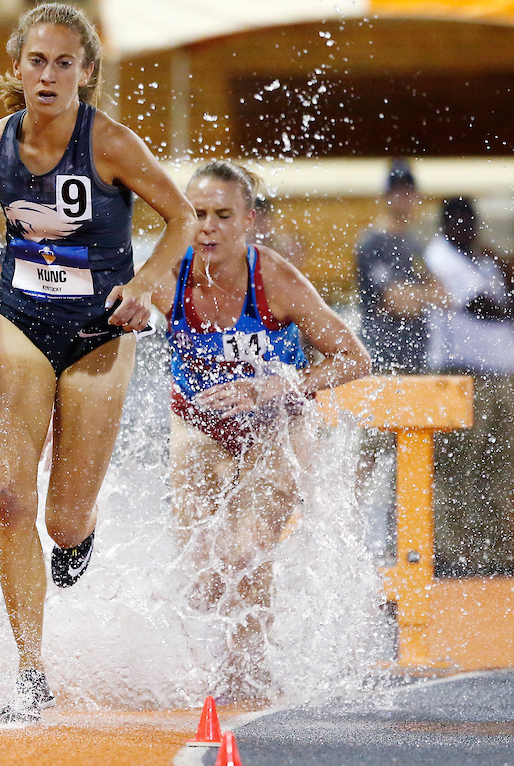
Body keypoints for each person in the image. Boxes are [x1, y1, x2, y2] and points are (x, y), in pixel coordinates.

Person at [0, 2, 198, 723]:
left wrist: (146, 284)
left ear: (86, 73)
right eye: (37, 61)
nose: (48, 75)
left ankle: (78, 533)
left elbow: (184, 217)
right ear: (17, 68)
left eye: (64, 62)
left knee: (62, 518)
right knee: (11, 499)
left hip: (100, 334)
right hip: (19, 321)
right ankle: (29, 671)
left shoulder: (109, 143)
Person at [151, 160, 371, 700]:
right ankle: (199, 662)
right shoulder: (161, 279)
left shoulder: (274, 279)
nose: (208, 228)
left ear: (248, 221)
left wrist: (277, 385)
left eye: (223, 216)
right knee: (199, 571)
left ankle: (247, 668)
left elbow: (353, 357)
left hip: (274, 426)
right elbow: (100, 325)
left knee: (244, 549)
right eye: (198, 214)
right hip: (198, 424)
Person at [424, 197, 514, 576]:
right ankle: (448, 553)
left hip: (500, 378)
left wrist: (503, 268)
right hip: (461, 377)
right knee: (455, 465)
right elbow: (481, 306)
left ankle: (492, 554)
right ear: (445, 225)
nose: (465, 229)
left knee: (497, 465)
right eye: (457, 223)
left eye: (470, 222)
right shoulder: (440, 258)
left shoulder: (485, 260)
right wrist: (508, 305)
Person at [354, 159, 448, 374]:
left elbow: (444, 296)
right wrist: (422, 296)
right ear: (386, 197)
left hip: (415, 353)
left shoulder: (417, 243)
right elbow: (395, 301)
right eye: (398, 193)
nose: (404, 199)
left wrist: (413, 297)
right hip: (382, 353)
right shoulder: (372, 243)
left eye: (408, 193)